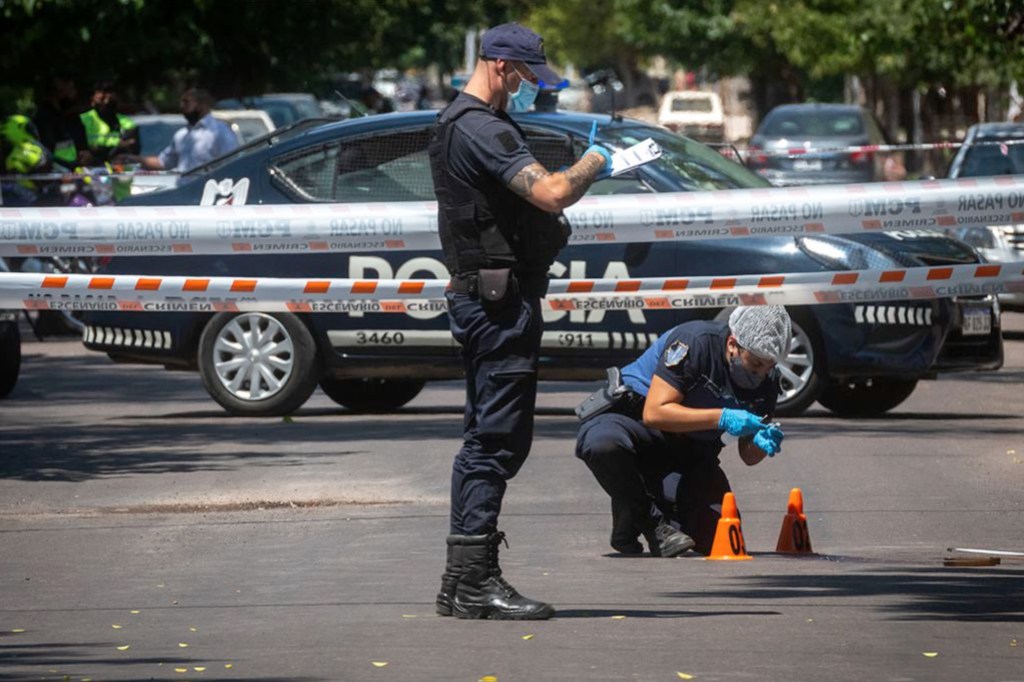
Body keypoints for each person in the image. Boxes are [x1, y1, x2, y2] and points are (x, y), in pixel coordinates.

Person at [428, 22, 613, 621]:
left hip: (490, 299)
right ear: (502, 66)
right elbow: (553, 193)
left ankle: (462, 581)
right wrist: (594, 163)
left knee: (486, 440)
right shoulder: (479, 127)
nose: (535, 86)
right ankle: (475, 581)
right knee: (497, 443)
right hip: (496, 306)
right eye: (530, 76)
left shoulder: (462, 122)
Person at [575, 306, 790, 557]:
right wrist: (722, 417)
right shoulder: (694, 343)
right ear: (733, 344)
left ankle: (631, 508)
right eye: (755, 364)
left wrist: (762, 444)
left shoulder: (767, 382)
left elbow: (748, 456)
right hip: (637, 426)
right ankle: (650, 522)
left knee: (718, 536)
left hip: (689, 451)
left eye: (768, 366)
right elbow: (655, 413)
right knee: (603, 444)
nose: (760, 374)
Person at [131, 89, 238, 172]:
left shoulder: (219, 131)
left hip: (207, 195)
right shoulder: (181, 135)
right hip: (183, 193)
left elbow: (231, 164)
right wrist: (135, 160)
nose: (181, 106)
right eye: (181, 102)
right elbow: (163, 162)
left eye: (186, 102)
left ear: (202, 105)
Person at [77, 80, 138, 166]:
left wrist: (97, 149)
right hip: (88, 168)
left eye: (110, 92)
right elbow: (80, 150)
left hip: (119, 168)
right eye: (103, 93)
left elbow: (131, 148)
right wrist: (118, 145)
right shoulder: (83, 119)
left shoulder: (127, 122)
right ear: (92, 98)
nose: (107, 97)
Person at [32, 74, 83, 169]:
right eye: (70, 87)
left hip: (70, 170)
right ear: (59, 86)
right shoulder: (44, 116)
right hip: (56, 173)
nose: (74, 91)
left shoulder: (66, 115)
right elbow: (47, 151)